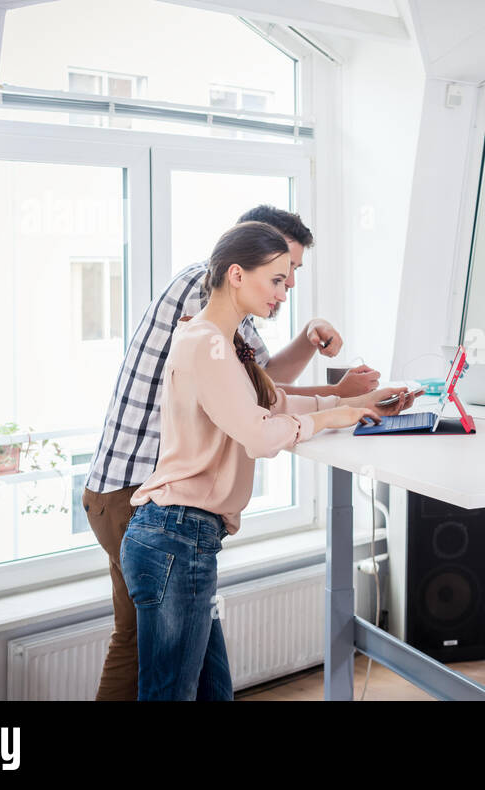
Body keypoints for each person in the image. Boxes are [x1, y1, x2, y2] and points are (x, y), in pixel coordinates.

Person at [81, 205, 380, 701]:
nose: (285, 293)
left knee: (207, 684)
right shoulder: (204, 322)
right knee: (150, 666)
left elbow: (264, 392)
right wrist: (334, 413)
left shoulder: (224, 334)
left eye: (292, 278)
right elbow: (259, 428)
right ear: (241, 266)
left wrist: (350, 400)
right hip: (149, 505)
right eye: (280, 277)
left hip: (178, 525)